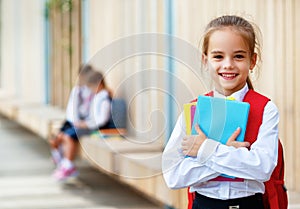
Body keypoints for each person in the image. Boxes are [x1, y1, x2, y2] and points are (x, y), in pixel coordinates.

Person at [162, 15, 279, 209]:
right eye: (218, 56)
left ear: (252, 61)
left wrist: (205, 150)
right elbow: (173, 175)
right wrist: (229, 151)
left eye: (239, 56)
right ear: (205, 60)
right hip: (203, 204)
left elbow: (262, 168)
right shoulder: (193, 110)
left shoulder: (266, 109)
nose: (228, 65)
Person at [52, 69, 112, 181]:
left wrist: (85, 124)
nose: (92, 90)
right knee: (64, 135)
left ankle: (68, 165)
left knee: (68, 136)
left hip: (96, 128)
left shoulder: (104, 99)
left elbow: (102, 120)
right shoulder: (98, 97)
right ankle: (64, 163)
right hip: (89, 125)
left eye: (93, 87)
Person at [49, 64, 94, 169]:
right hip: (72, 121)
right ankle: (61, 160)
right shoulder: (78, 90)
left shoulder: (90, 91)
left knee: (62, 137)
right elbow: (73, 111)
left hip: (78, 122)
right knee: (55, 138)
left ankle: (65, 163)